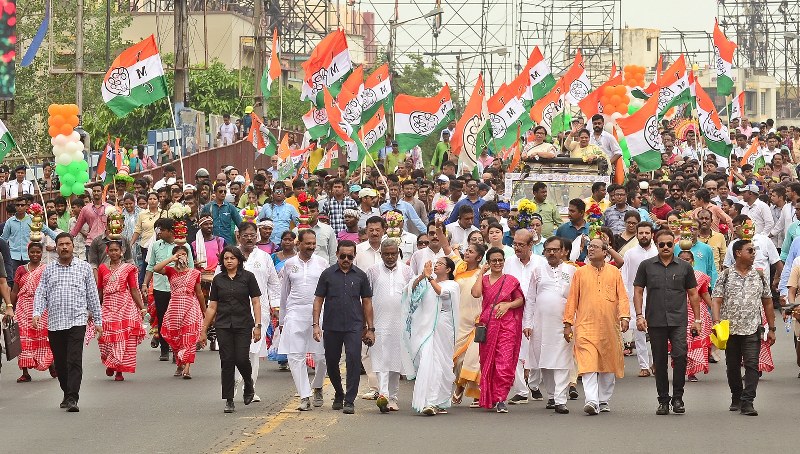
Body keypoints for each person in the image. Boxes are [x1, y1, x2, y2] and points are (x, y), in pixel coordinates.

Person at [33, 233, 103, 412]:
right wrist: (37, 312)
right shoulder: (48, 269)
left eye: (67, 244)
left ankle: (73, 397)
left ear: (73, 246)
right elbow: (41, 293)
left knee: (74, 359)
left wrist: (98, 320)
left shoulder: (84, 268)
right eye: (61, 244)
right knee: (61, 362)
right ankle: (66, 392)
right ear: (56, 247)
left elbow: (92, 295)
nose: (64, 247)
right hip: (55, 322)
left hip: (77, 320)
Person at [633, 229, 701, 415]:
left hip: (679, 320)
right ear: (656, 245)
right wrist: (639, 315)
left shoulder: (684, 267)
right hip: (655, 320)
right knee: (660, 361)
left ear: (674, 245)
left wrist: (697, 320)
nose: (665, 247)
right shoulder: (646, 266)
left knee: (680, 357)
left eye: (669, 244)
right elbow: (638, 291)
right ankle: (663, 400)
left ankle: (678, 398)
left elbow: (693, 294)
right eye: (661, 244)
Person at [563, 237, 630, 415]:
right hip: (586, 325)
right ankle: (592, 400)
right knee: (588, 364)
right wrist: (568, 322)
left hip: (610, 326)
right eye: (590, 246)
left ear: (605, 251)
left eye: (595, 247)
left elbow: (622, 296)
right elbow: (572, 299)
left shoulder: (614, 273)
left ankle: (603, 399)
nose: (591, 249)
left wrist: (625, 316)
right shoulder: (580, 273)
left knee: (608, 364)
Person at [711, 239, 776, 416]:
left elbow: (768, 302)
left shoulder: (760, 275)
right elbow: (716, 300)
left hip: (752, 329)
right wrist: (716, 322)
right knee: (732, 366)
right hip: (730, 330)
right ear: (738, 253)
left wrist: (772, 328)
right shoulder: (725, 275)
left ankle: (748, 401)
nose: (754, 253)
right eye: (750, 250)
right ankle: (736, 396)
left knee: (752, 365)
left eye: (754, 250)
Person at [312, 240, 374, 414]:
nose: (346, 259)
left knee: (353, 360)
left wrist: (370, 328)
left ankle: (349, 400)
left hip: (354, 326)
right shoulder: (327, 274)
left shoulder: (361, 275)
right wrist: (316, 325)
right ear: (337, 255)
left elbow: (367, 302)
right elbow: (318, 299)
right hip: (332, 325)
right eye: (342, 256)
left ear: (354, 256)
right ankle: (339, 393)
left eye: (350, 256)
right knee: (331, 362)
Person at [200, 246, 263, 413]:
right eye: (226, 258)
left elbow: (256, 302)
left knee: (242, 359)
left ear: (239, 260)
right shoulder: (218, 280)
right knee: (227, 361)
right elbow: (212, 306)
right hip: (223, 325)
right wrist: (204, 329)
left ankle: (248, 385)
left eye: (232, 258)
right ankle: (229, 399)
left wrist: (258, 325)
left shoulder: (248, 277)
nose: (229, 261)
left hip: (243, 324)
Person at [525, 237, 577, 414]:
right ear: (544, 252)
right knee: (545, 361)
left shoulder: (572, 271)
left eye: (556, 249)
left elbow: (576, 298)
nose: (552, 253)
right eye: (548, 250)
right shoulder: (538, 271)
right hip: (540, 324)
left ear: (564, 251)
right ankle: (552, 396)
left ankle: (561, 400)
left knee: (562, 360)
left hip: (564, 324)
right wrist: (528, 323)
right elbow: (531, 299)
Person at [402, 256, 460, 415]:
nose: (436, 266)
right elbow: (410, 291)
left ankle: (437, 401)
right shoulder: (426, 282)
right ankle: (429, 401)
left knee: (441, 362)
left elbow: (441, 292)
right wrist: (422, 276)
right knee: (428, 360)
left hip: (443, 325)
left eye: (440, 264)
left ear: (448, 269)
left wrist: (429, 277)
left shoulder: (452, 285)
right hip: (425, 328)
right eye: (435, 264)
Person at [470, 247, 525, 413]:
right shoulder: (485, 280)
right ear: (488, 262)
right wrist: (480, 273)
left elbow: (520, 300)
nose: (497, 263)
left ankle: (501, 398)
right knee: (488, 362)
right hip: (488, 325)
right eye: (493, 260)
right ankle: (490, 397)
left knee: (504, 362)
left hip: (507, 325)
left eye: (500, 260)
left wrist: (508, 304)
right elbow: (475, 293)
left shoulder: (510, 280)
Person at [278, 229, 329, 410]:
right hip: (294, 312)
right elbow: (284, 294)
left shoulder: (322, 263)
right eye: (308, 243)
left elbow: (328, 291)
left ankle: (317, 386)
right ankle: (304, 396)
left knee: (322, 356)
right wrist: (282, 320)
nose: (311, 247)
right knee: (295, 356)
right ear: (298, 244)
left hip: (319, 313)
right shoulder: (289, 264)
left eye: (313, 243)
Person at [366, 239, 414, 413]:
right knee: (380, 360)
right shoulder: (372, 271)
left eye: (393, 253)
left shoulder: (407, 271)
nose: (390, 257)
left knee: (395, 362)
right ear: (381, 254)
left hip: (399, 324)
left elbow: (412, 297)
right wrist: (367, 325)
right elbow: (366, 299)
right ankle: (383, 394)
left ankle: (393, 398)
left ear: (398, 252)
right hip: (378, 323)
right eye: (386, 254)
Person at [234, 222, 279, 401]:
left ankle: (249, 387)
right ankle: (234, 382)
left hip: (259, 311)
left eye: (253, 234)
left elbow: (274, 283)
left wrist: (276, 306)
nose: (250, 238)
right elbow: (218, 280)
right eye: (246, 235)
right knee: (237, 350)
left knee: (253, 350)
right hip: (234, 310)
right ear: (239, 236)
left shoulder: (264, 257)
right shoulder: (231, 255)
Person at [142, 219, 195, 361]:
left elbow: (191, 268)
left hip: (179, 290)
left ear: (170, 231)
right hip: (161, 288)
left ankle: (177, 348)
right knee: (162, 318)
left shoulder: (185, 246)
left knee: (178, 320)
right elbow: (151, 267)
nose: (158, 232)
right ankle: (164, 349)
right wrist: (145, 284)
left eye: (161, 230)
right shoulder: (155, 245)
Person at [97, 240, 146, 381]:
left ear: (121, 251)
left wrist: (142, 307)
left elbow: (133, 289)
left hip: (125, 305)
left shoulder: (128, 268)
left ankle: (119, 370)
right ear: (107, 251)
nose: (114, 253)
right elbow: (100, 289)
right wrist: (95, 309)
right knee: (106, 336)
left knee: (123, 338)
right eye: (111, 250)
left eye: (116, 250)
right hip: (107, 305)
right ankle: (111, 361)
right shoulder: (102, 268)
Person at [153, 245, 205, 378]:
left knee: (189, 336)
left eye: (184, 254)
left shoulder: (194, 273)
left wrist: (205, 312)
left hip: (191, 306)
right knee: (176, 337)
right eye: (178, 254)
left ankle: (187, 367)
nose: (181, 256)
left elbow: (199, 293)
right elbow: (156, 268)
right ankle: (179, 364)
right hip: (175, 307)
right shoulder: (170, 271)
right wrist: (171, 259)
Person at [11, 242, 55, 382]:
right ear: (28, 253)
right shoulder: (21, 270)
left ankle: (50, 365)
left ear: (42, 253)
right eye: (32, 252)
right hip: (23, 307)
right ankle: (25, 372)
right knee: (23, 339)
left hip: (40, 306)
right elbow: (15, 290)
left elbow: (50, 290)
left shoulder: (46, 269)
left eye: (38, 252)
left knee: (43, 336)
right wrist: (10, 308)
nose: (35, 255)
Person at [620, 221, 657, 377]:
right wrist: (625, 298)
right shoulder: (630, 254)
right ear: (636, 235)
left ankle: (657, 363)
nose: (643, 236)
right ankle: (643, 366)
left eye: (646, 233)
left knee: (657, 333)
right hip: (636, 297)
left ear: (652, 234)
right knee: (640, 333)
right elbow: (624, 277)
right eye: (640, 233)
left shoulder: (658, 252)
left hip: (656, 297)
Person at [452, 242, 487, 407]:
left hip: (476, 320)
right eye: (466, 250)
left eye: (471, 251)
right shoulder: (458, 270)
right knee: (458, 358)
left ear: (479, 257)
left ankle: (473, 392)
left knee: (474, 358)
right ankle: (460, 384)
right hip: (459, 319)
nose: (467, 253)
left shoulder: (484, 273)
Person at [676, 250, 713, 382]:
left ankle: (692, 372)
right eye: (682, 259)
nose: (685, 262)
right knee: (680, 343)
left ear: (693, 261)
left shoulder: (699, 276)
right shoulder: (673, 274)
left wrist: (716, 310)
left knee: (695, 342)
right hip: (678, 312)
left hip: (697, 313)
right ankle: (680, 370)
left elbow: (704, 294)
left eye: (688, 259)